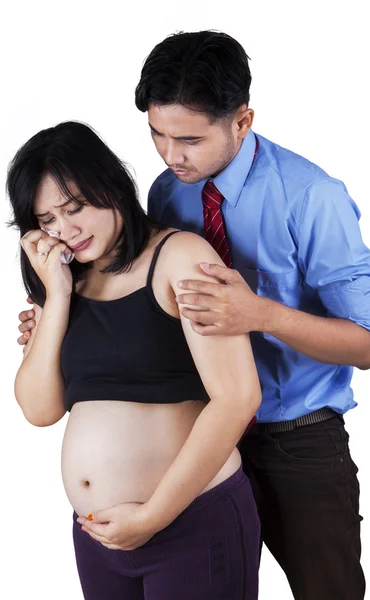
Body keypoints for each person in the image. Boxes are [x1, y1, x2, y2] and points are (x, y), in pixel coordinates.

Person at [17, 31, 370, 600]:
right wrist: (66, 330)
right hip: (199, 432)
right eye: (156, 135)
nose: (170, 155)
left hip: (294, 435)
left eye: (188, 139)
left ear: (242, 121)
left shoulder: (311, 196)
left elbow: (366, 345)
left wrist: (259, 313)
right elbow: (146, 302)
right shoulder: (170, 191)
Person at [8, 120, 262, 600]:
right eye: (47, 221)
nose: (66, 230)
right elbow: (40, 411)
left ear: (110, 183)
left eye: (75, 207)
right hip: (98, 539)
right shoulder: (62, 282)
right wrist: (57, 298)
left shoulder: (179, 257)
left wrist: (152, 515)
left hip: (191, 521)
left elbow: (238, 396)